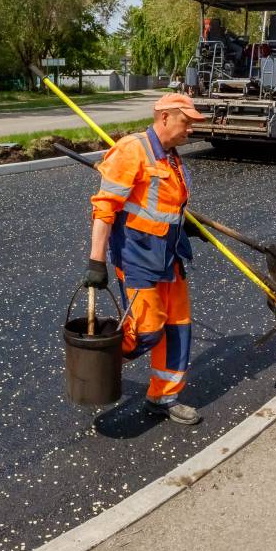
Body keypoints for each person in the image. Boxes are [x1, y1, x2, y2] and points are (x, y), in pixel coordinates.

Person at [83, 93, 207, 425]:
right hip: (137, 257)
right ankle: (98, 359)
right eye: (186, 122)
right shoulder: (132, 150)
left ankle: (163, 398)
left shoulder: (172, 157)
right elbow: (105, 208)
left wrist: (186, 226)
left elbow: (162, 205)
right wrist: (96, 263)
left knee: (178, 330)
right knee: (148, 331)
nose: (190, 130)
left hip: (171, 256)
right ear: (164, 117)